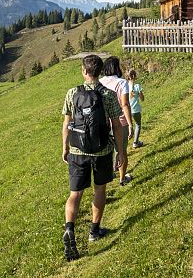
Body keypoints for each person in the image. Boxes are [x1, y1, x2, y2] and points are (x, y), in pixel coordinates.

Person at [62, 54, 126, 261]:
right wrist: (121, 151)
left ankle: (69, 229)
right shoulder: (107, 94)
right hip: (102, 151)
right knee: (100, 189)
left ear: (84, 71)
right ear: (99, 72)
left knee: (75, 194)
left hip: (78, 151)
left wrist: (65, 147)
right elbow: (116, 125)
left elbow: (66, 124)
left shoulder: (72, 93)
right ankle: (94, 231)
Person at [99, 56, 133, 186]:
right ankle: (122, 178)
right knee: (121, 150)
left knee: (108, 151)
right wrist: (130, 124)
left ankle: (110, 173)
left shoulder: (100, 82)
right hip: (120, 121)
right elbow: (124, 104)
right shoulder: (122, 83)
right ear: (117, 67)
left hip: (104, 122)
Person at [127, 69, 145, 148]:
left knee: (127, 126)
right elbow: (142, 99)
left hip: (127, 110)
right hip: (136, 110)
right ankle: (135, 142)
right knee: (138, 124)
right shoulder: (137, 86)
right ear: (134, 76)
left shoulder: (125, 86)